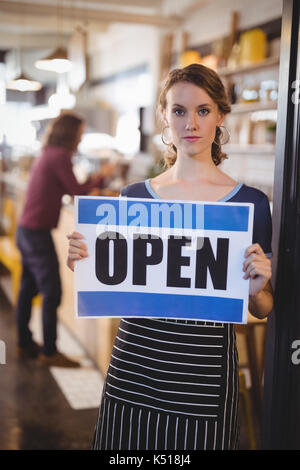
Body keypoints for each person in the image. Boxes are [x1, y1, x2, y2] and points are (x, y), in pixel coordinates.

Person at [66, 64, 273, 448]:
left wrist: (259, 288)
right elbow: (114, 280)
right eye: (179, 110)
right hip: (133, 371)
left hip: (203, 382)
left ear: (220, 116)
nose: (190, 122)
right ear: (164, 115)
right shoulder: (134, 197)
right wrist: (84, 258)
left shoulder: (250, 205)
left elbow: (262, 309)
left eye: (203, 110)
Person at [16, 112, 110, 368]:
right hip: (36, 234)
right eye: (80, 133)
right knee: (52, 292)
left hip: (26, 230)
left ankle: (24, 343)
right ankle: (49, 351)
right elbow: (77, 191)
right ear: (71, 133)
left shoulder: (49, 153)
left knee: (28, 288)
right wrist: (102, 175)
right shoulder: (59, 156)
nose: (81, 138)